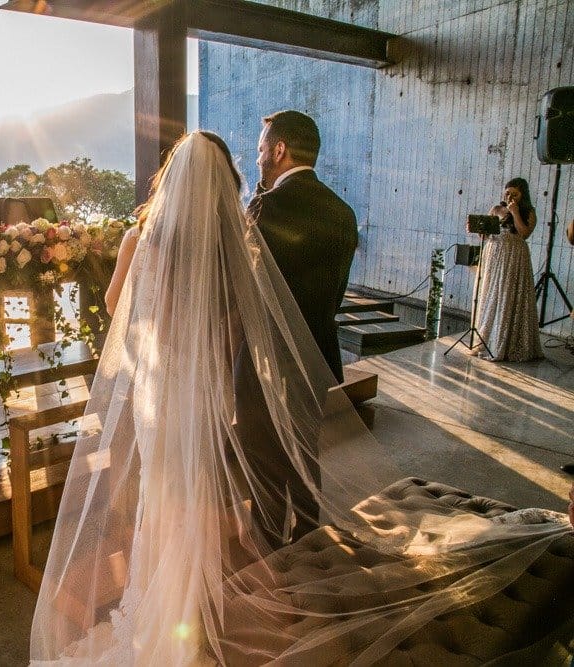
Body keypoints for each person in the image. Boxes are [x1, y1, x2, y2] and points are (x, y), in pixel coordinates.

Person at [29, 131, 569, 665]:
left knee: (163, 495)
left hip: (157, 391)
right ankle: (197, 606)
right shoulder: (234, 243)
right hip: (207, 391)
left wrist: (156, 346)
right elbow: (243, 327)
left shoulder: (136, 239)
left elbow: (115, 303)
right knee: (199, 497)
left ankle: (162, 605)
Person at [233, 110, 357, 548]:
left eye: (262, 148)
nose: (259, 157)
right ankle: (309, 543)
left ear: (280, 149)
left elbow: (244, 286)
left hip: (269, 359)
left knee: (260, 453)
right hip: (319, 353)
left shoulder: (268, 205)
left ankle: (270, 550)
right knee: (305, 455)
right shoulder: (343, 211)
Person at [469, 177, 544, 361]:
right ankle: (485, 339)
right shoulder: (496, 209)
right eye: (508, 192)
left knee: (508, 294)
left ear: (522, 195)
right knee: (492, 294)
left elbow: (524, 233)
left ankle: (506, 342)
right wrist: (478, 229)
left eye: (515, 194)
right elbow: (486, 234)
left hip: (514, 257)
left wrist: (515, 212)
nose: (510, 196)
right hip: (494, 254)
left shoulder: (528, 211)